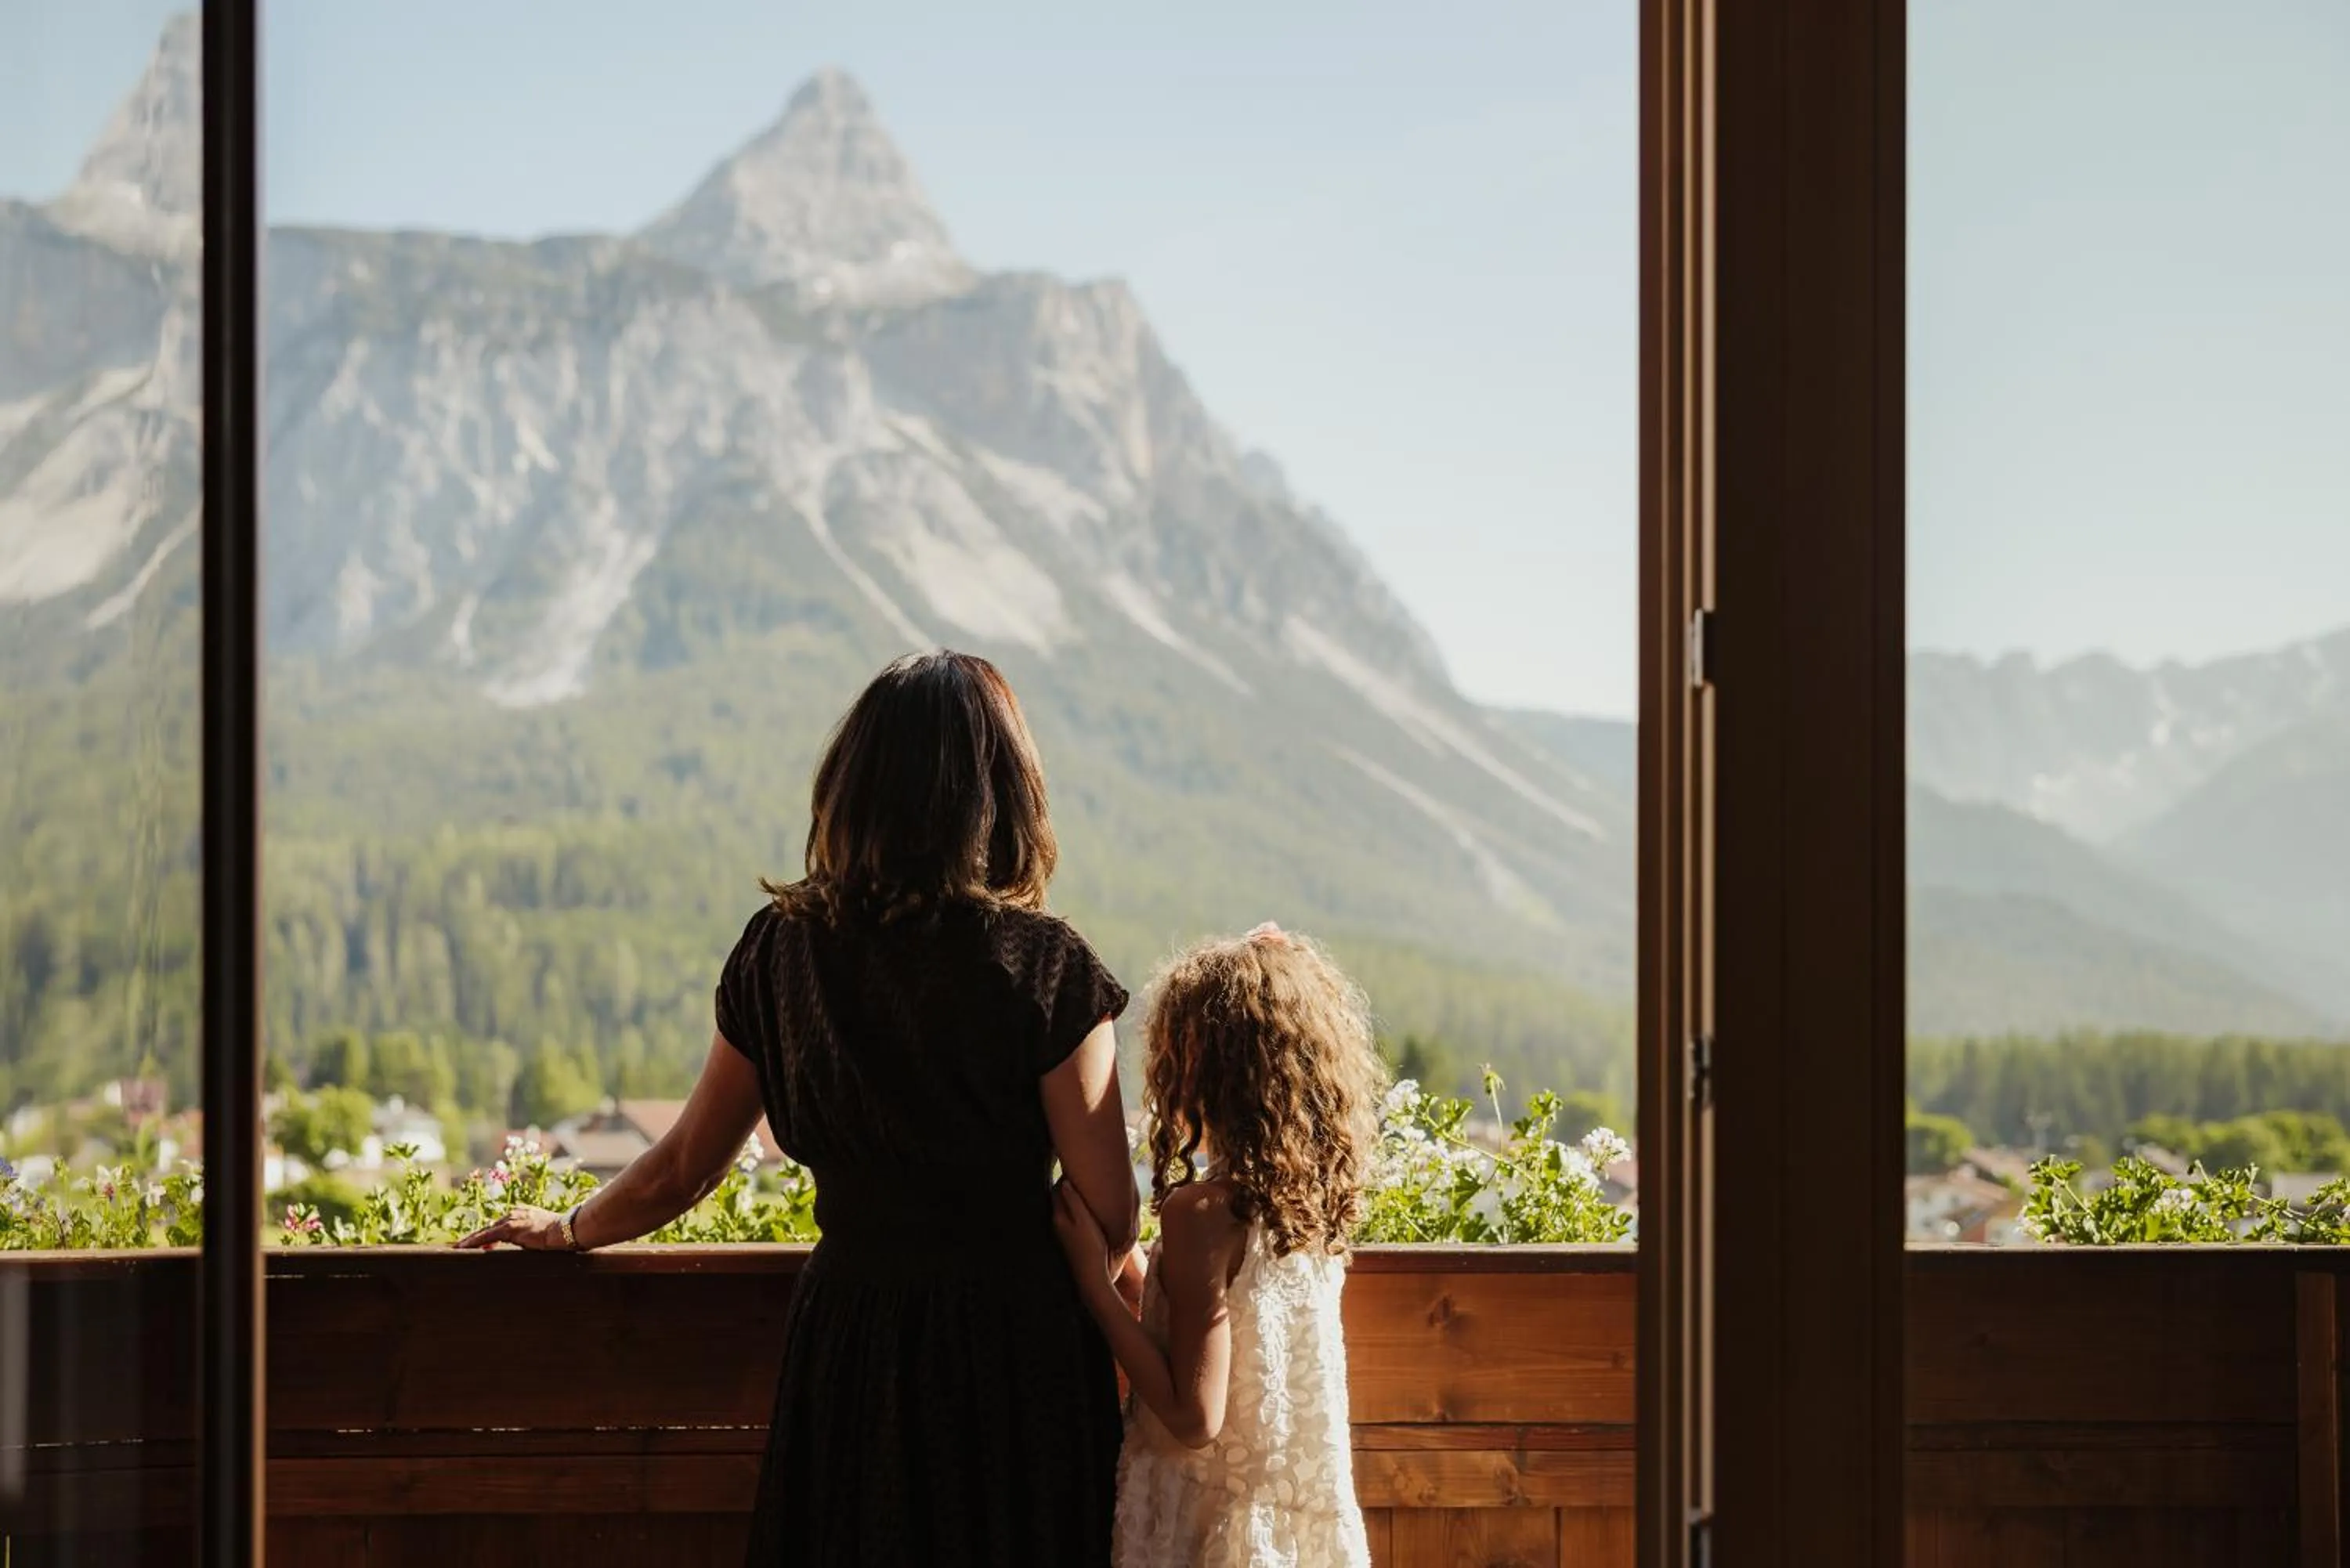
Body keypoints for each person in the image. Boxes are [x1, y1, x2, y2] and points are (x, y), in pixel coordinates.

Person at [460, 649, 1141, 1567]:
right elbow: (1111, 1213)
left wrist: (571, 1228)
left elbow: (683, 1166)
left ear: (854, 784)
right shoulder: (1047, 968)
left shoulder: (781, 953)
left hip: (853, 1343)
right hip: (1016, 1358)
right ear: (1004, 793)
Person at [1053, 923, 1379, 1568]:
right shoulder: (1304, 1209)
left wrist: (1094, 1286)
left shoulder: (1201, 1213)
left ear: (1204, 1068)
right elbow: (1215, 1331)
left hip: (1203, 1526)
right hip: (1290, 1529)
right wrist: (1133, 1270)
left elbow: (1194, 1416)